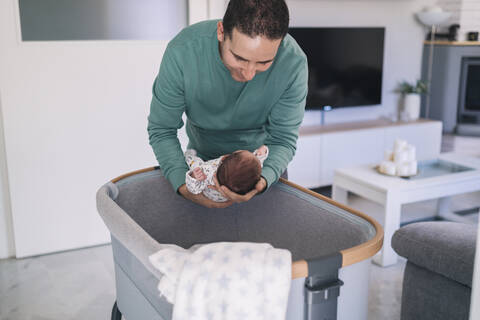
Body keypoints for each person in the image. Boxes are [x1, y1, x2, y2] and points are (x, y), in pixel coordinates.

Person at [148, 0, 308, 208]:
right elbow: (162, 129)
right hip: (201, 168)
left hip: (263, 171)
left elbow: (283, 139)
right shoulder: (183, 52)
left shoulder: (293, 63)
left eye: (264, 63)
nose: (249, 74)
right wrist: (182, 184)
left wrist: (262, 181)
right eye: (239, 58)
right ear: (221, 32)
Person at [185, 146, 269, 202]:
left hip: (209, 194)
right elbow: (256, 161)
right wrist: (262, 152)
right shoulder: (253, 172)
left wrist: (194, 177)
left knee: (195, 164)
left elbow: (194, 189)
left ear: (224, 157)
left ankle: (188, 156)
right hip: (228, 196)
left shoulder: (208, 173)